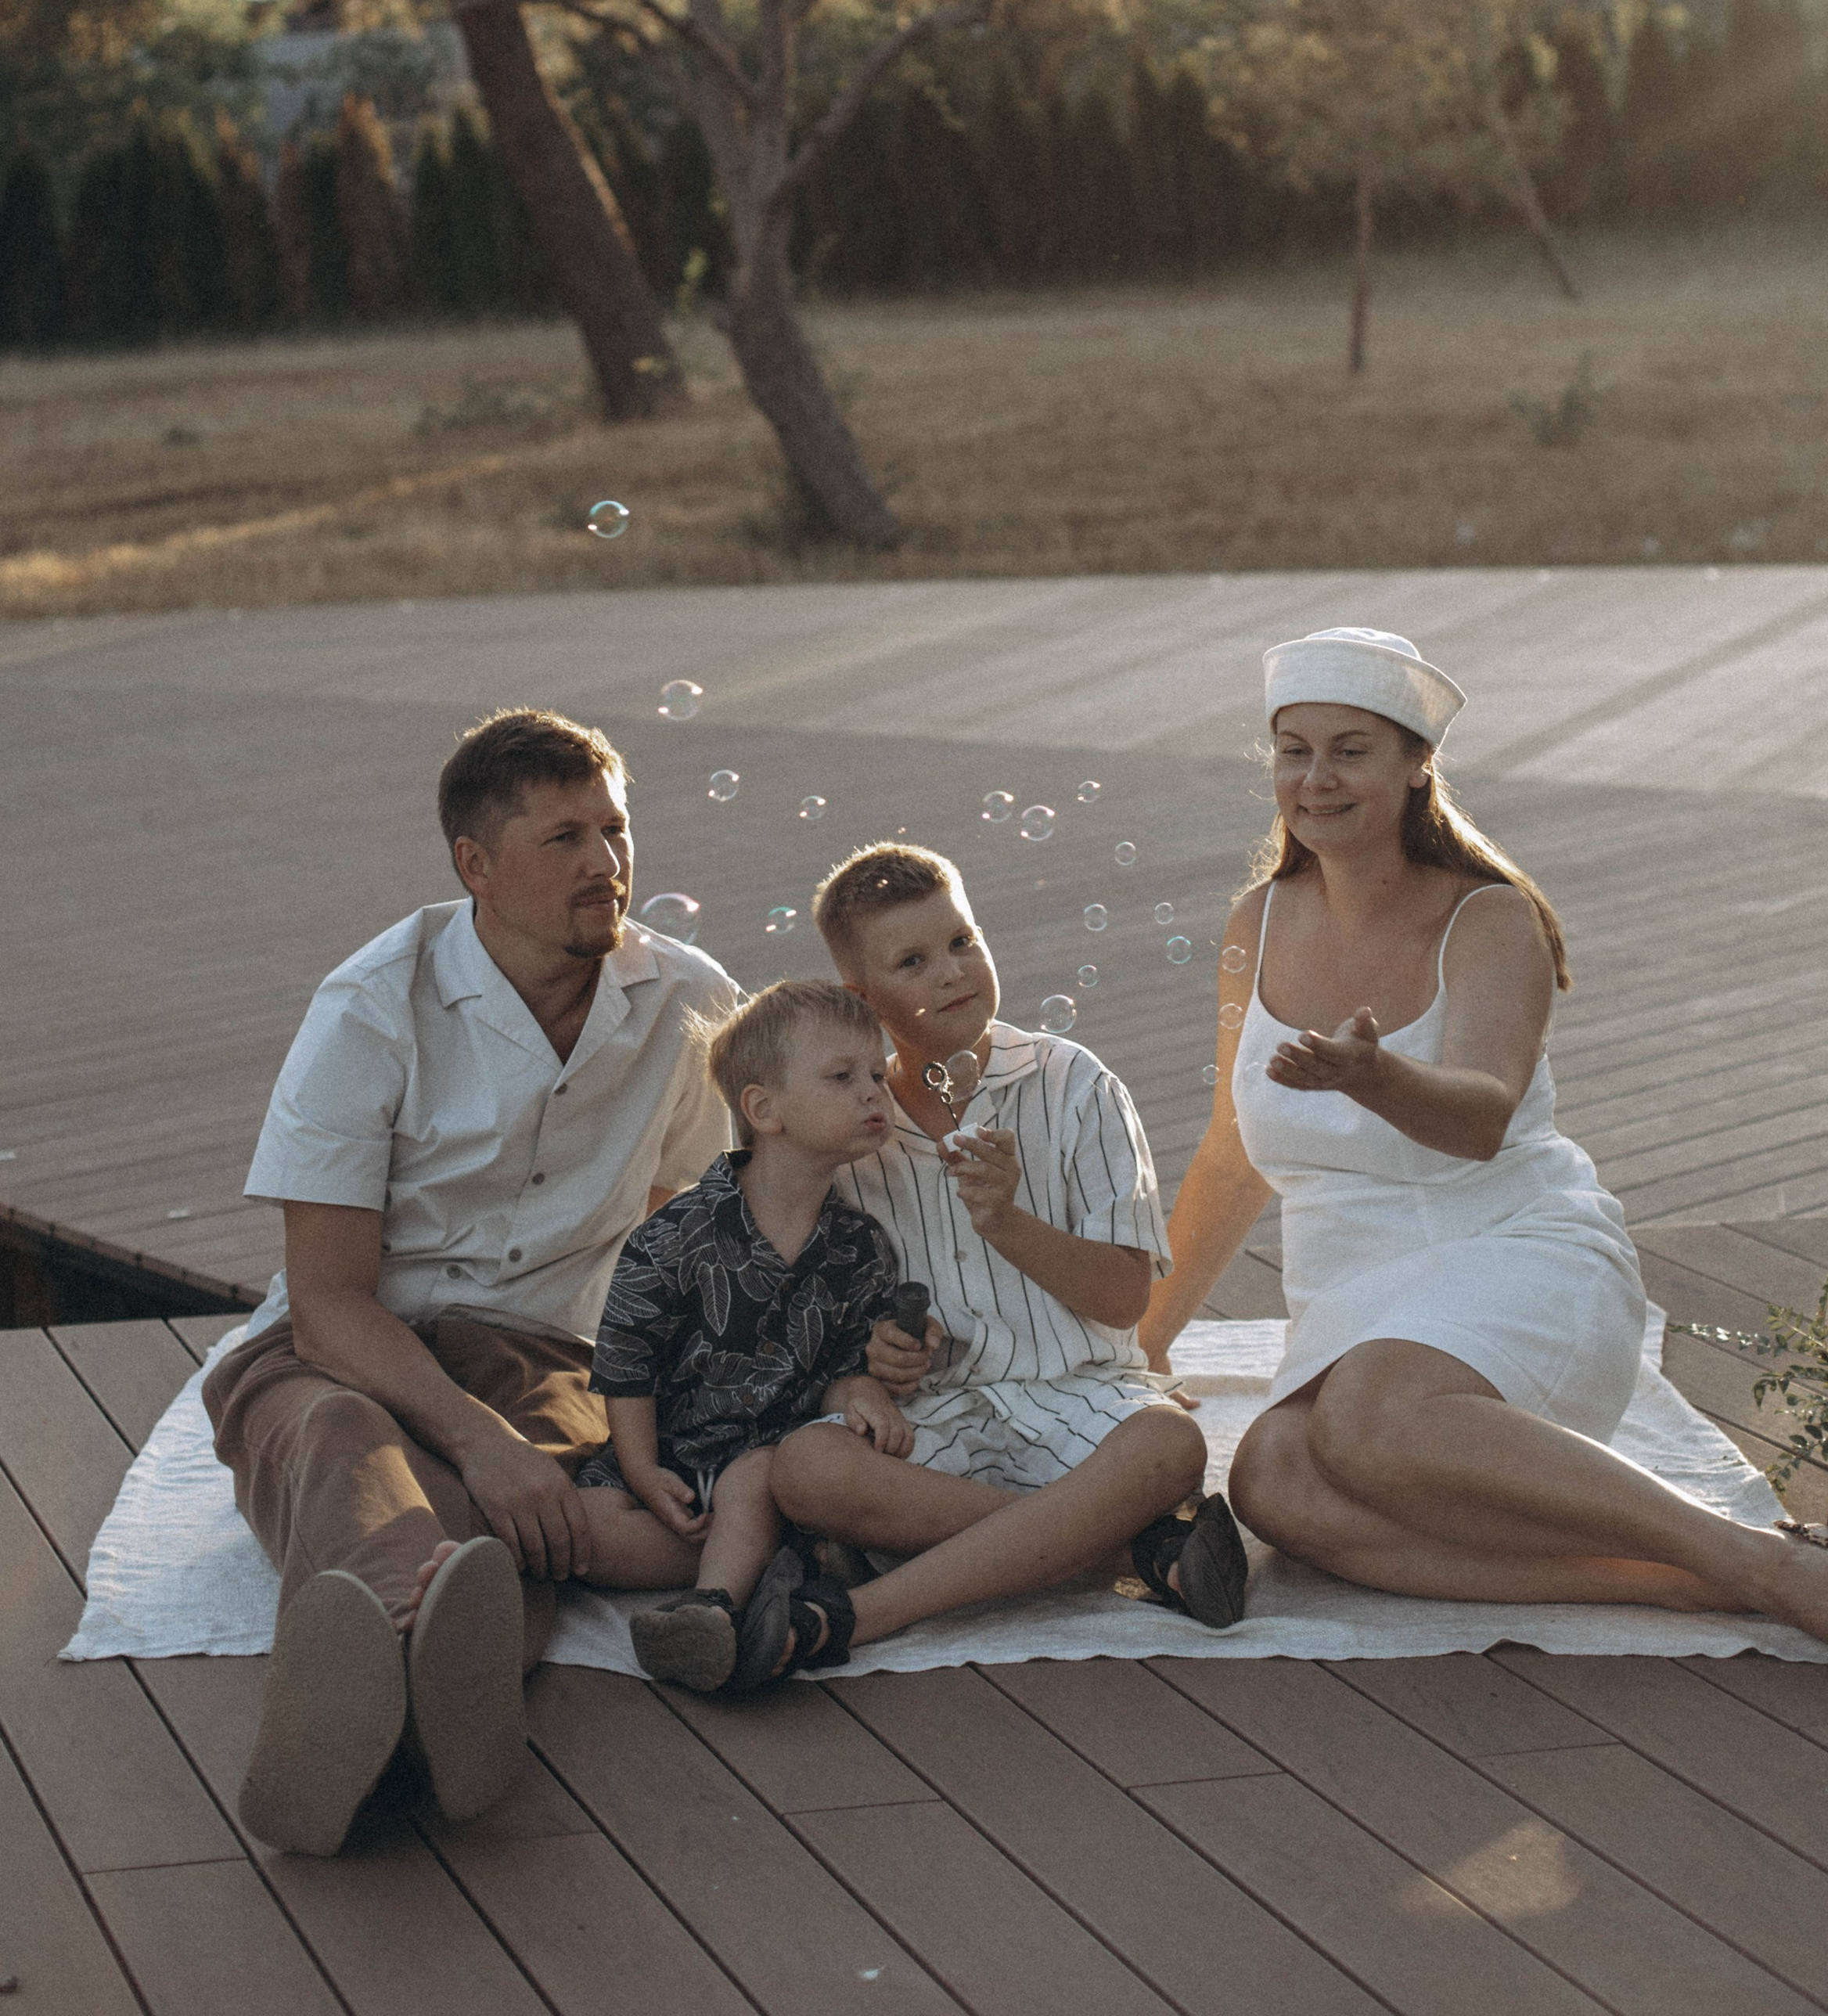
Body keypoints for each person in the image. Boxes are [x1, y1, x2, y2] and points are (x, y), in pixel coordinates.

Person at [1135, 625, 1828, 1708]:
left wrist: (1376, 1078)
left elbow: (1483, 1118)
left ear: (1415, 766)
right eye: (1293, 750)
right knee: (1272, 1482)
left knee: (1361, 1423)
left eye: (1351, 750)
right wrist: (1144, 1345)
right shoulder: (1255, 920)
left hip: (1515, 1252)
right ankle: (1705, 1585)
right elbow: (1230, 1153)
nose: (1315, 779)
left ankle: (1767, 1561)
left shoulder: (1486, 917)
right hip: (1355, 1291)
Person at [203, 706, 735, 1857]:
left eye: (615, 829)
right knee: (343, 1433)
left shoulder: (688, 1001)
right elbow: (330, 1298)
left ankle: (372, 1705)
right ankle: (427, 1689)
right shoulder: (369, 1007)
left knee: (530, 1488)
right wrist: (473, 1435)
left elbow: (703, 1208)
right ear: (474, 867)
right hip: (342, 1343)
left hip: (547, 1348)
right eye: (563, 840)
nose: (606, 864)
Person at [747, 843, 1243, 1688]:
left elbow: (1125, 1300)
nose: (950, 973)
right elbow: (817, 1311)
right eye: (912, 961)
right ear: (863, 1002)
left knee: (1168, 1442)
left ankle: (861, 1614)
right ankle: (1122, 1546)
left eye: (961, 942)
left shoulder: (1075, 1084)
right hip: (940, 1411)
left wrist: (1006, 1222)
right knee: (801, 1469)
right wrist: (871, 1362)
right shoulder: (846, 1130)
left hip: (1078, 1394)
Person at [573, 977, 909, 1690]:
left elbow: (846, 1363)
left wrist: (863, 1392)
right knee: (584, 1529)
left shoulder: (861, 1246)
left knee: (756, 1479)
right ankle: (776, 1561)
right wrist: (639, 1470)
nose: (874, 1092)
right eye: (843, 1078)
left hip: (772, 1464)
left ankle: (711, 1609)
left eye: (878, 1074)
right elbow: (625, 1366)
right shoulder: (674, 1236)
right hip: (671, 1455)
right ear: (763, 1109)